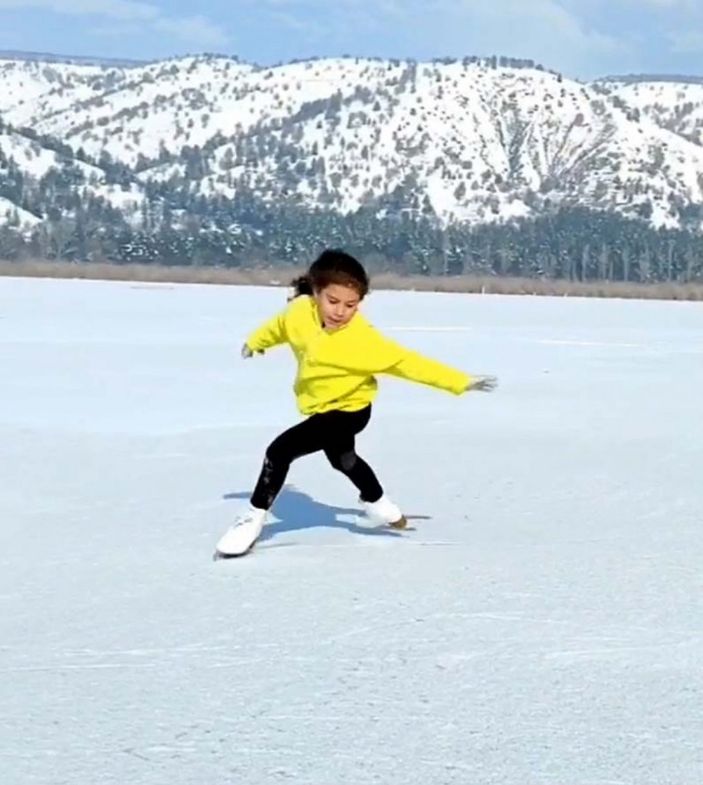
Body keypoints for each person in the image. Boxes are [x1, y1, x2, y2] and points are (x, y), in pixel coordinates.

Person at [215, 249, 497, 557]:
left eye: (351, 305)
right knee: (343, 459)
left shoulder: (363, 340)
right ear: (315, 292)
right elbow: (278, 328)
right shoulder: (298, 312)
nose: (340, 312)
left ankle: (252, 518)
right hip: (320, 406)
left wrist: (459, 381)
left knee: (279, 451)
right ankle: (381, 505)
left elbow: (409, 363)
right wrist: (256, 342)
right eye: (332, 301)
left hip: (351, 410)